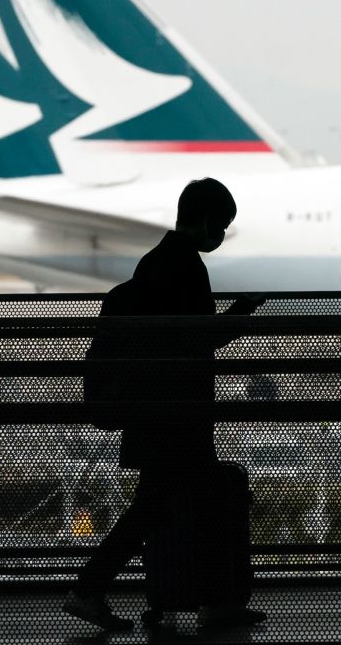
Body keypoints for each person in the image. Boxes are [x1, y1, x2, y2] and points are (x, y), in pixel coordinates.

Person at [63, 178, 266, 631]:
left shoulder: (153, 262)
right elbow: (195, 338)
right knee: (196, 503)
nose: (221, 236)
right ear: (209, 221)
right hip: (177, 414)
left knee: (157, 507)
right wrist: (241, 314)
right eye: (223, 226)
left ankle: (95, 590)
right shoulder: (185, 267)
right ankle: (207, 601)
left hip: (153, 413)